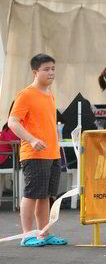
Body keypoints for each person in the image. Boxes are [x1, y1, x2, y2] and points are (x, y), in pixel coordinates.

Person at [7, 54, 67, 247]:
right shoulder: (26, 94)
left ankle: (44, 233)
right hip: (34, 154)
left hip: (52, 153)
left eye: (53, 69)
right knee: (32, 194)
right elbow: (12, 122)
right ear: (35, 72)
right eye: (46, 69)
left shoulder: (49, 93)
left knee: (45, 196)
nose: (51, 72)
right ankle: (27, 235)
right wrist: (31, 140)